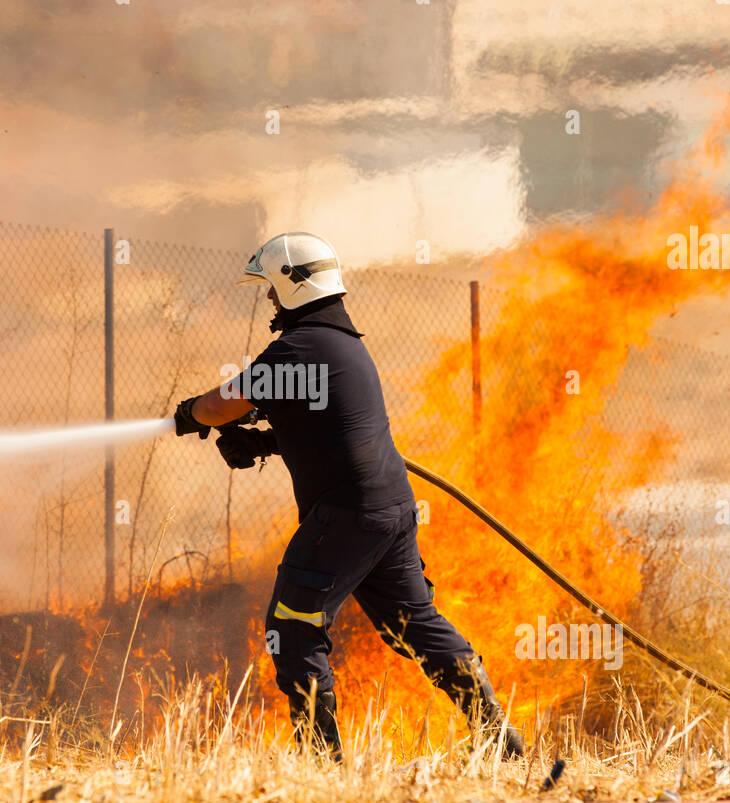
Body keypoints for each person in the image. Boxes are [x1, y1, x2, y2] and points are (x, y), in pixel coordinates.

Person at [174, 231, 524, 761]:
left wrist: (190, 412)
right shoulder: (339, 344)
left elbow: (223, 404)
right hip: (390, 511)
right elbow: (328, 426)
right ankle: (498, 736)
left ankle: (322, 760)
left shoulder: (300, 347)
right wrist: (265, 440)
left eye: (271, 288)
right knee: (411, 622)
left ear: (293, 285)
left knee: (293, 626)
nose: (269, 298)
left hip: (345, 517)